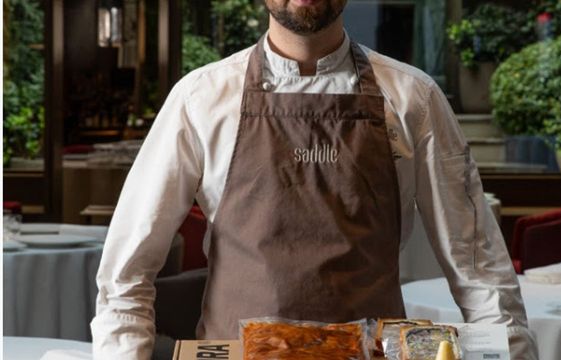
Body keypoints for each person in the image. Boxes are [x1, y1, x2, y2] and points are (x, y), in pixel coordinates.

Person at [91, 0, 538, 359]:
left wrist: (513, 352)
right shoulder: (200, 98)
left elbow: (477, 264)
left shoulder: (413, 98)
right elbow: (126, 273)